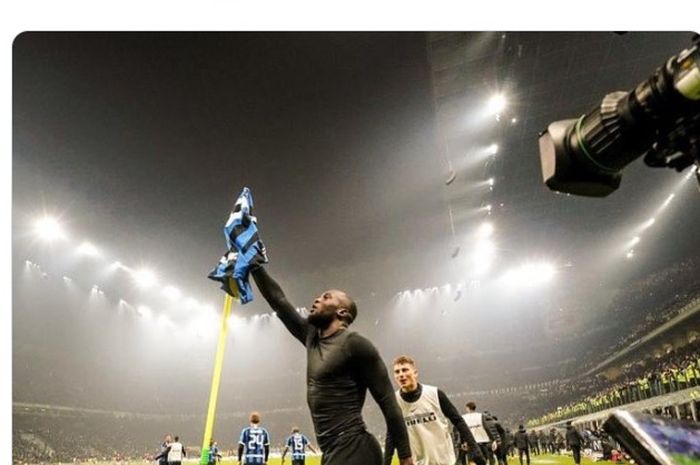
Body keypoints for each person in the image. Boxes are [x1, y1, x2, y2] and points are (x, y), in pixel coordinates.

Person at [250, 264, 413, 465]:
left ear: (342, 312)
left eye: (326, 297)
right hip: (332, 451)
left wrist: (405, 457)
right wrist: (255, 266)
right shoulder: (312, 338)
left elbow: (388, 403)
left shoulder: (355, 344)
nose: (317, 299)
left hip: (355, 449)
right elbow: (279, 301)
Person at [384, 355, 485, 465]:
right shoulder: (394, 402)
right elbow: (391, 434)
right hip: (418, 462)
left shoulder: (435, 394)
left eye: (404, 370)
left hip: (444, 460)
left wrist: (474, 449)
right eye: (397, 372)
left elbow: (458, 421)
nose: (401, 375)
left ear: (415, 373)